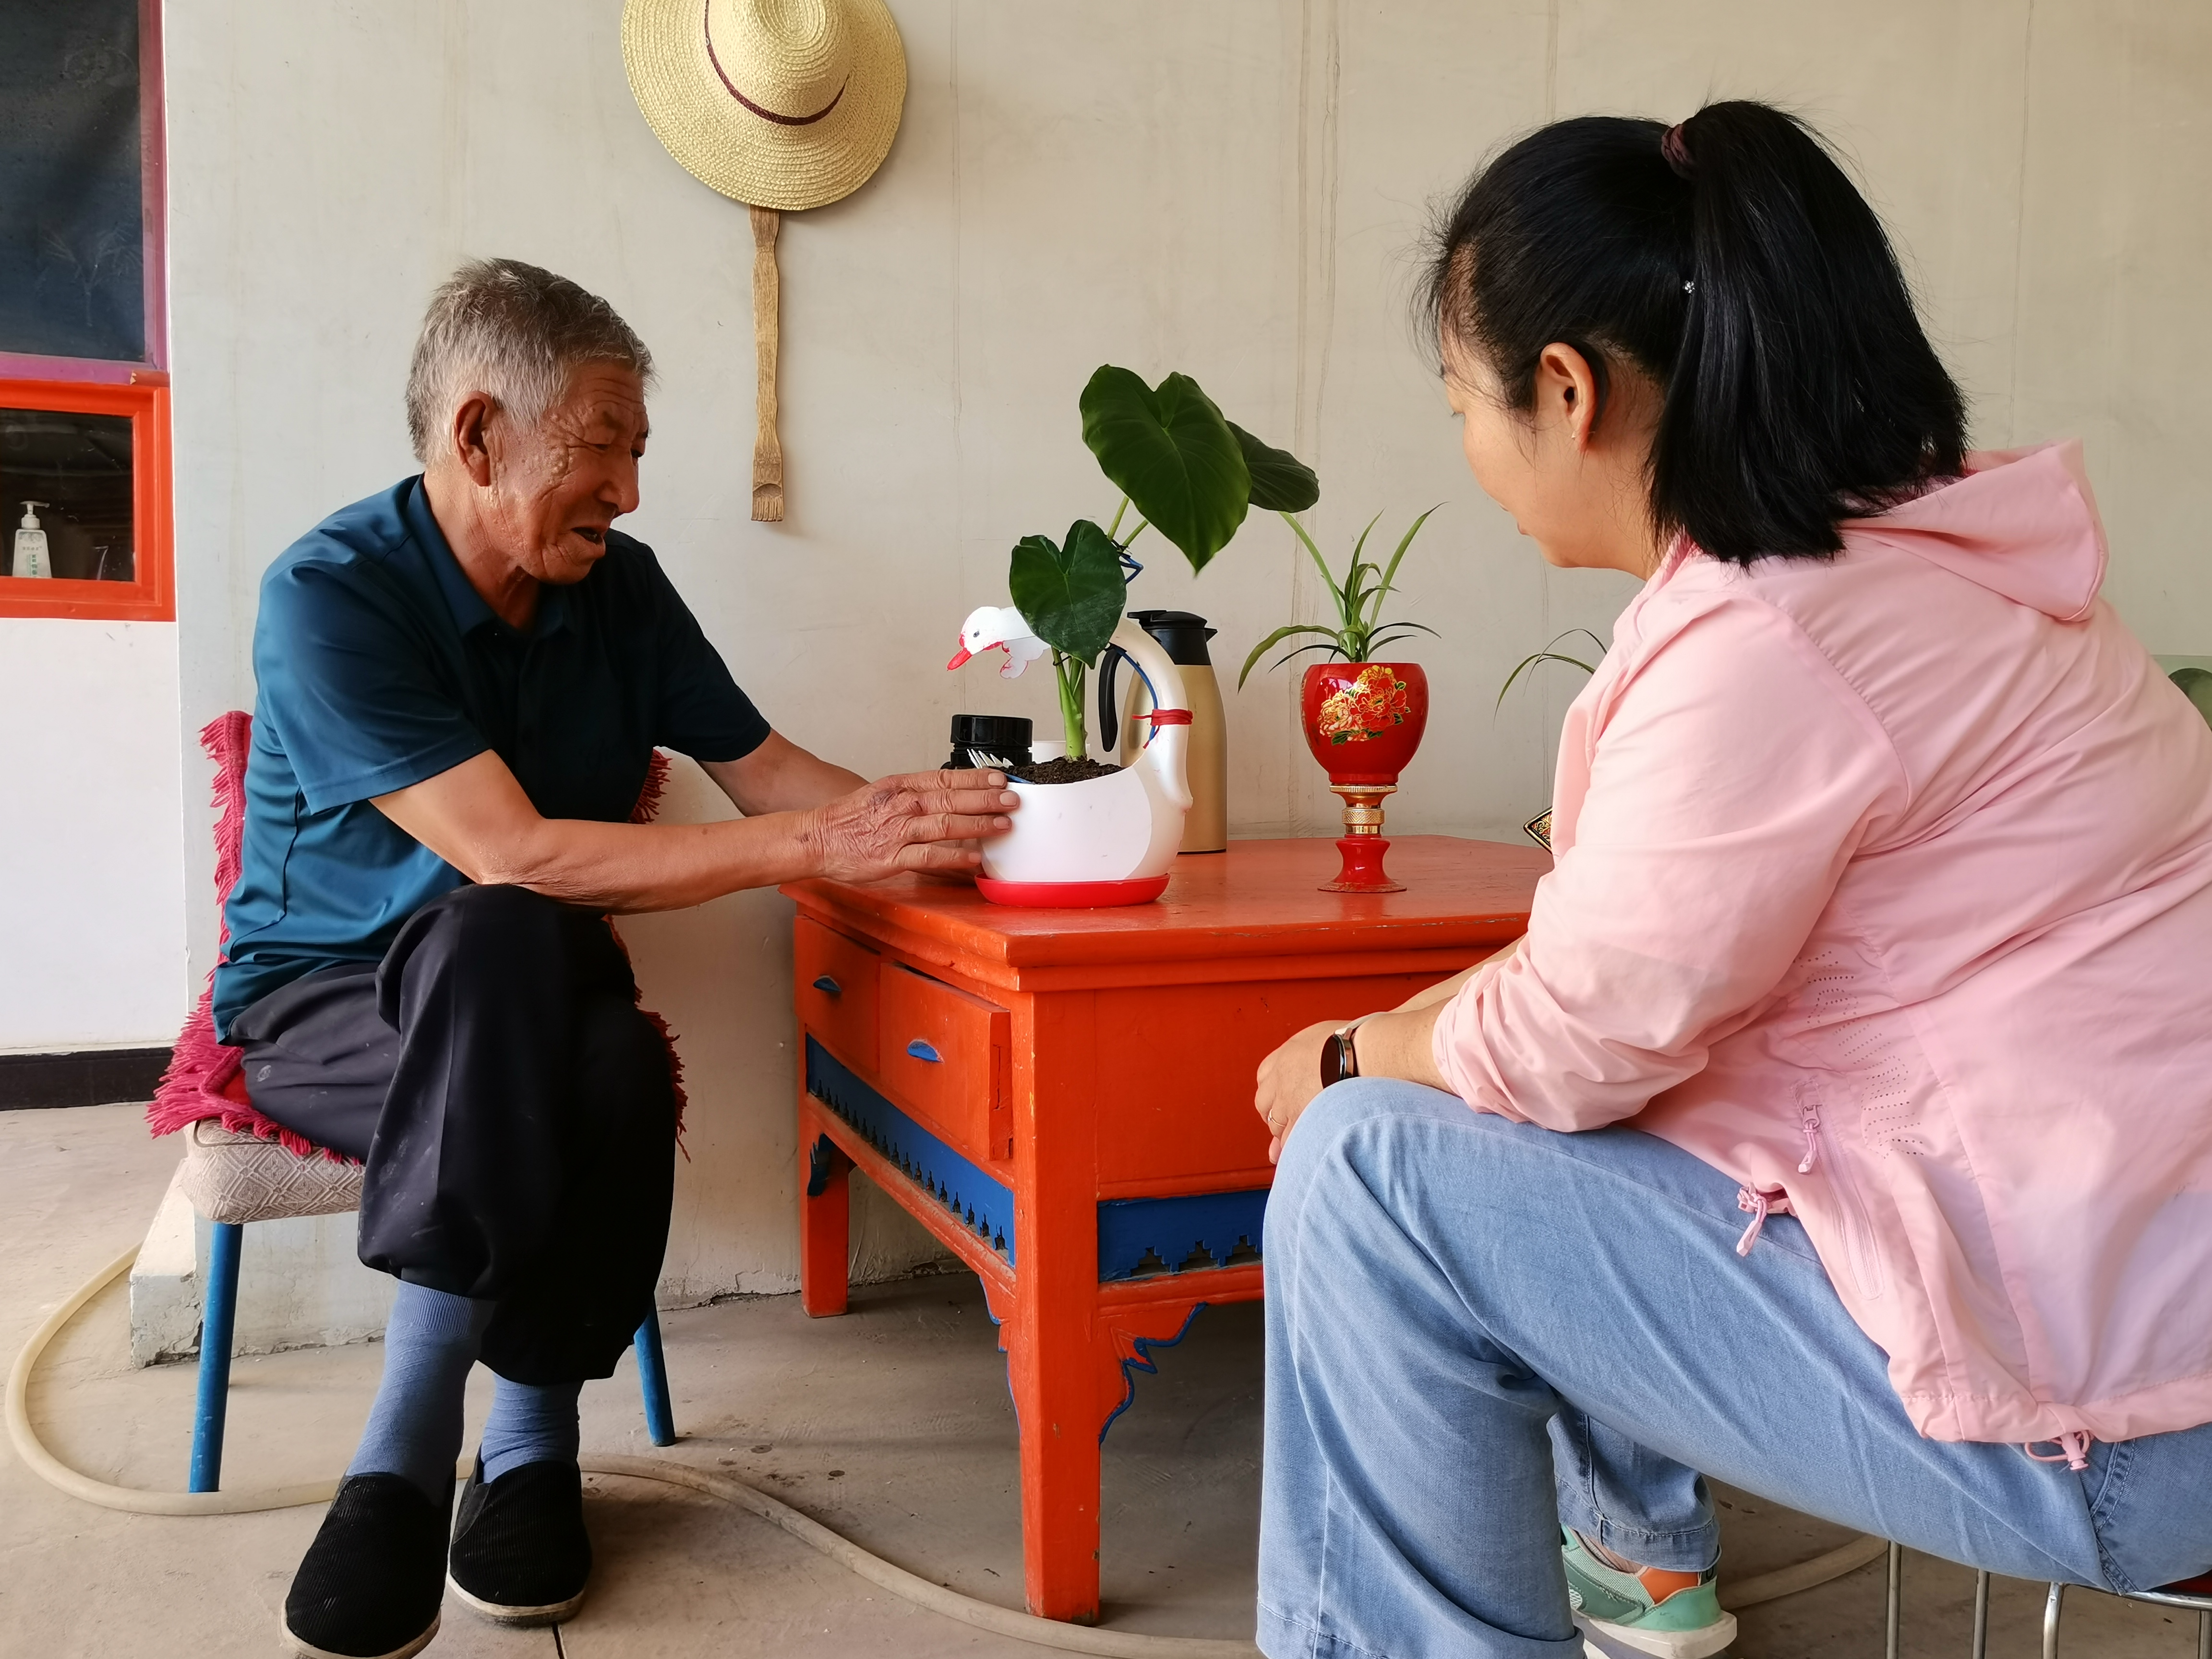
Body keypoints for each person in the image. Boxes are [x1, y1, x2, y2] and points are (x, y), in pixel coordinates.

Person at [1251, 102, 2212, 1659]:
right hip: (2145, 1328)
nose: (1474, 451)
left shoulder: (1773, 640)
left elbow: (1579, 1037)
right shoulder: (1935, 563)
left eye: (1460, 403)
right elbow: (1616, 992)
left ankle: (1570, 1588)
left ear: (1567, 392)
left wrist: (1355, 1052)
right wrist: (1420, 1028)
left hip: (2114, 1427)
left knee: (1372, 1177)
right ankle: (1641, 1570)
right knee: (1531, 1109)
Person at [220, 258, 1017, 1659]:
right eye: (601, 449)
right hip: (330, 1008)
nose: (630, 491)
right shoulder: (330, 593)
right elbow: (514, 853)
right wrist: (815, 849)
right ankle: (462, 1453)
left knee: (565, 1003)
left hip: (526, 994)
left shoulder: (620, 591)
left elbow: (768, 773)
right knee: (588, 1034)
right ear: (479, 436)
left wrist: (952, 839)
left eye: (636, 452)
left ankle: (481, 1458)